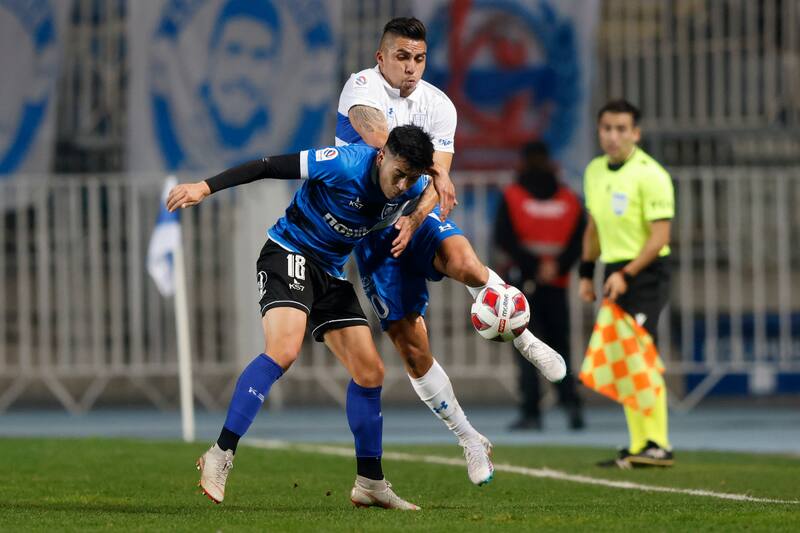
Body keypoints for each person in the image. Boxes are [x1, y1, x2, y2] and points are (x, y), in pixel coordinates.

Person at [337, 17, 567, 486]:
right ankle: (469, 438)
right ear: (381, 58)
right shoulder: (361, 88)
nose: (411, 68)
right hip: (371, 230)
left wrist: (417, 216)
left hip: (414, 214)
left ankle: (523, 337)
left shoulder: (439, 105)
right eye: (401, 57)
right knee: (413, 348)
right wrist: (431, 173)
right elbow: (381, 140)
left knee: (465, 261)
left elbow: (437, 180)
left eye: (419, 58)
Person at [167, 125, 438, 509]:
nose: (403, 184)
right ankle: (221, 452)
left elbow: (434, 185)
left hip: (330, 271)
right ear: (382, 155)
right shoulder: (343, 164)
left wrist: (431, 188)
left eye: (413, 177)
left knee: (370, 371)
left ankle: (370, 484)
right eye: (399, 173)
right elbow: (266, 166)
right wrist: (204, 188)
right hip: (289, 251)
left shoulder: (412, 187)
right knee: (284, 350)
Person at [579, 99, 675, 468]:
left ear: (636, 133)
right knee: (623, 359)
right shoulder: (594, 172)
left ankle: (659, 443)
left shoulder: (652, 175)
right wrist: (588, 274)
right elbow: (593, 228)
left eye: (621, 129)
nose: (613, 136)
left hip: (646, 273)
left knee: (641, 356)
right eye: (607, 128)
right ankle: (640, 446)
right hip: (614, 270)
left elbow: (659, 238)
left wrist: (626, 274)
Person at [494, 141, 586, 431]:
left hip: (523, 284)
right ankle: (571, 405)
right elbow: (579, 239)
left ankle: (532, 412)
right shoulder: (569, 199)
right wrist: (555, 266)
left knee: (527, 349)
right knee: (561, 347)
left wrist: (535, 266)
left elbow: (504, 239)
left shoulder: (513, 196)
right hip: (556, 282)